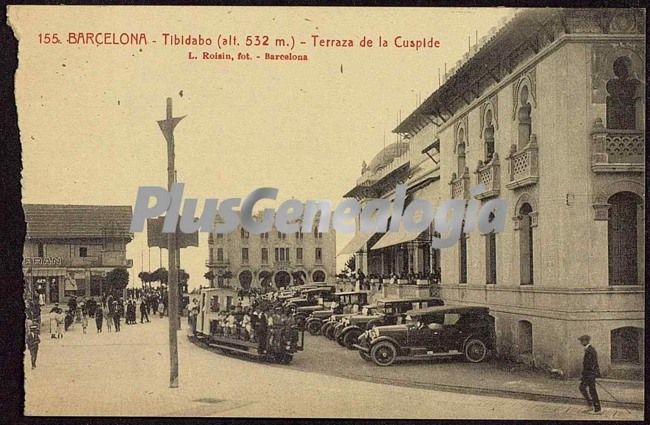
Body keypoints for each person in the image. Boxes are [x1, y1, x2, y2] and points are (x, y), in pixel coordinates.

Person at [578, 335, 602, 414]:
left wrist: (587, 375)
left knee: (591, 390)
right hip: (589, 374)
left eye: (582, 341)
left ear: (586, 341)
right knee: (582, 388)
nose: (581, 343)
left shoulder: (590, 350)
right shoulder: (589, 349)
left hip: (590, 374)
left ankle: (597, 409)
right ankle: (590, 406)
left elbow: (590, 364)